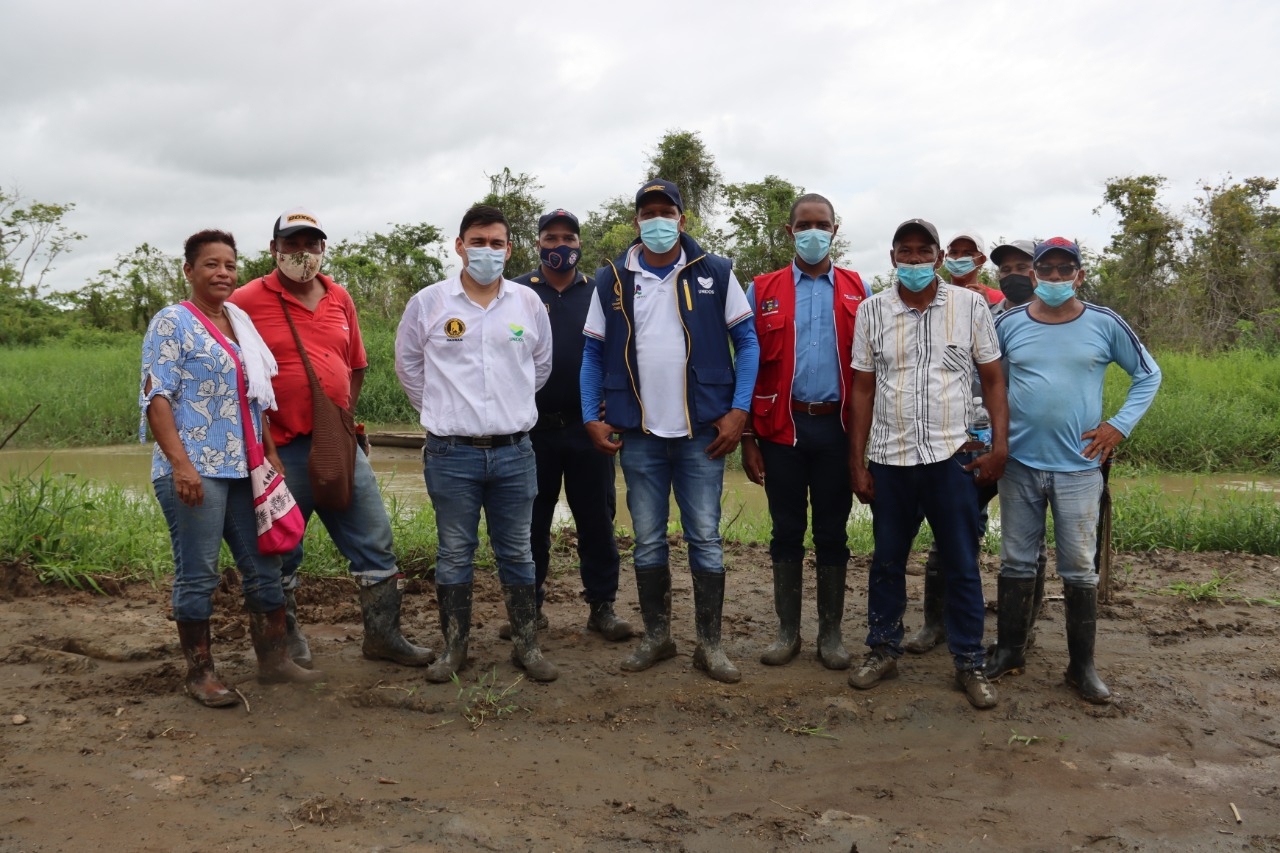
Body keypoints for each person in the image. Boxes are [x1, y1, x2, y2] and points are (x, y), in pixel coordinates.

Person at [230, 208, 433, 671]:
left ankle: (383, 636)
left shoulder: (340, 297)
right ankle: (286, 640)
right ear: (274, 250)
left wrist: (340, 420)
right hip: (278, 450)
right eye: (293, 244)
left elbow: (356, 365)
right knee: (280, 548)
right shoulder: (245, 300)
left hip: (337, 443)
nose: (303, 253)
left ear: (323, 248)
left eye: (312, 244)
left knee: (374, 539)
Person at [581, 179, 759, 684]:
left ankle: (710, 645)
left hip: (703, 433)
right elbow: (593, 352)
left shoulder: (716, 272)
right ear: (637, 220)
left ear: (682, 219)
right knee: (648, 538)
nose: (657, 220)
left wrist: (739, 410)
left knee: (705, 537)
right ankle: (658, 637)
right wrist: (590, 415)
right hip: (638, 434)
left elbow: (746, 344)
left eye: (666, 212)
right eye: (647, 212)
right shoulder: (611, 279)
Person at [141, 229, 322, 707]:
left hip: (245, 467)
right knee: (198, 573)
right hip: (195, 470)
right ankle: (201, 674)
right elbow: (157, 398)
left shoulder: (239, 324)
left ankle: (274, 661)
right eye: (210, 265)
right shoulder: (171, 323)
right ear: (189, 271)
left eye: (229, 265)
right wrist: (181, 466)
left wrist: (271, 455)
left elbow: (254, 398)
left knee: (266, 564)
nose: (222, 273)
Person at [990, 237, 1162, 703]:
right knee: (1016, 561)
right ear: (1034, 275)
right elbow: (988, 383)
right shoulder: (1008, 324)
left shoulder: (1105, 324)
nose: (1056, 278)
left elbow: (1149, 375)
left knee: (1079, 570)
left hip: (1080, 467)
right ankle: (1009, 651)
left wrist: (1118, 426)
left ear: (1080, 276)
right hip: (1020, 465)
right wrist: (989, 438)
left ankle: (1081, 667)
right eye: (1048, 270)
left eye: (1067, 270)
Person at [847, 218, 1007, 709]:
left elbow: (994, 380)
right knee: (888, 561)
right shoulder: (872, 310)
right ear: (893, 257)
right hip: (892, 458)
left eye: (923, 252)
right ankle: (883, 649)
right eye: (905, 252)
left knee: (961, 563)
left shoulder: (970, 306)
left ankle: (969, 661)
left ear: (938, 258)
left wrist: (999, 446)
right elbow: (862, 390)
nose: (914, 261)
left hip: (951, 457)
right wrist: (858, 462)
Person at [396, 204, 558, 683]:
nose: (487, 251)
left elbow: (540, 367)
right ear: (459, 245)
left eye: (497, 243)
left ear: (510, 249)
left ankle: (527, 646)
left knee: (519, 552)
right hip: (451, 454)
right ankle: (454, 649)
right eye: (478, 241)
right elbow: (409, 368)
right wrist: (448, 414)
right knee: (453, 552)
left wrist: (504, 409)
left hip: (515, 451)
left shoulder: (528, 304)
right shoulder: (428, 304)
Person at [741, 193, 869, 670]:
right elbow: (748, 365)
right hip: (781, 430)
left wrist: (863, 446)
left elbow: (870, 370)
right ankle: (787, 632)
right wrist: (749, 439)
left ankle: (831, 636)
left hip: (836, 429)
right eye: (804, 224)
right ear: (789, 230)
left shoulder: (860, 287)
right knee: (786, 530)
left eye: (823, 224)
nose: (814, 232)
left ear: (835, 230)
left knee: (833, 533)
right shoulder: (762, 288)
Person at [904, 237, 1044, 656]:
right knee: (956, 531)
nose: (1015, 275)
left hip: (1030, 443)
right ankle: (935, 625)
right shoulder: (970, 309)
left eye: (1024, 267)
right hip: (971, 439)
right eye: (1009, 268)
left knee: (1027, 543)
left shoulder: (1046, 317)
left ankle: (1022, 630)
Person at [507, 209, 631, 642]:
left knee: (597, 519)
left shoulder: (602, 292)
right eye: (550, 237)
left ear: (580, 244)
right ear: (537, 243)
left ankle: (602, 607)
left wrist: (611, 405)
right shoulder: (516, 292)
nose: (560, 245)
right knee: (530, 523)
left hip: (589, 429)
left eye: (568, 237)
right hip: (530, 431)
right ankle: (529, 608)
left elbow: (620, 351)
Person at [944, 230, 1003, 305]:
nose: (958, 258)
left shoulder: (998, 299)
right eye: (954, 253)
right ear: (946, 258)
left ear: (981, 260)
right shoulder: (935, 297)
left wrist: (987, 307)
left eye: (968, 254)